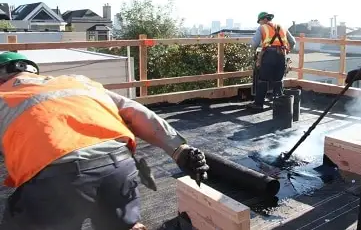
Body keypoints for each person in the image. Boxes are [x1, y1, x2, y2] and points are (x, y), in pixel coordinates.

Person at [0, 51, 210, 230]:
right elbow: (135, 111)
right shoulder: (77, 82)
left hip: (56, 178)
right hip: (119, 165)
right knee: (123, 225)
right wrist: (179, 149)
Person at [248, 12, 296, 110]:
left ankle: (258, 104)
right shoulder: (283, 27)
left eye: (260, 21)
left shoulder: (262, 28)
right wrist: (287, 50)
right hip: (281, 55)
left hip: (268, 56)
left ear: (264, 19)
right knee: (278, 80)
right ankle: (279, 104)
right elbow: (293, 42)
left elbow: (254, 44)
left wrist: (254, 55)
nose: (260, 23)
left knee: (263, 80)